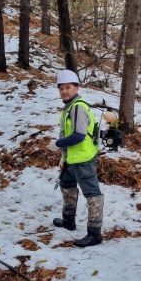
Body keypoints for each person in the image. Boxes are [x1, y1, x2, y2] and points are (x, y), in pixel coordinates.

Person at [53, 69, 104, 247]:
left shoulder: (78, 107)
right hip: (71, 159)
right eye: (61, 88)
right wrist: (63, 156)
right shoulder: (69, 107)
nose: (64, 91)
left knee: (92, 193)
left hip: (83, 159)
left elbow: (79, 136)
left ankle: (94, 234)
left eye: (68, 87)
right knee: (67, 186)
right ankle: (68, 221)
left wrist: (58, 144)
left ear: (77, 88)